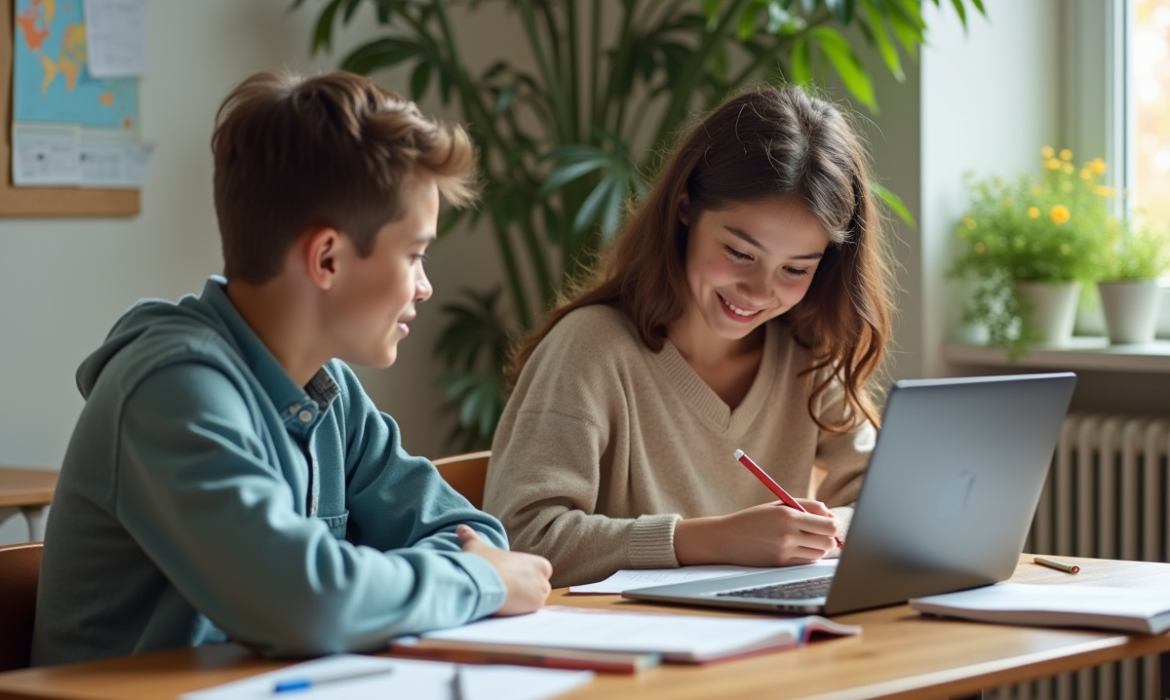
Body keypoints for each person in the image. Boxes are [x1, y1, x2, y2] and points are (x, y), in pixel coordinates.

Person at [31, 71, 552, 666]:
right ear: (327, 257)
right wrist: (472, 581)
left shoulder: (330, 394)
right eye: (413, 255)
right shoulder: (172, 390)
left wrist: (389, 581)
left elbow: (470, 531)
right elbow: (308, 603)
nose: (426, 287)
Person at [483, 86, 894, 588]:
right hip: (633, 650)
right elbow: (520, 538)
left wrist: (825, 531)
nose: (760, 291)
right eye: (740, 253)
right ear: (684, 209)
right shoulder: (591, 349)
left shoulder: (806, 353)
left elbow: (888, 496)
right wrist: (712, 540)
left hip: (768, 642)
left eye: (794, 268)